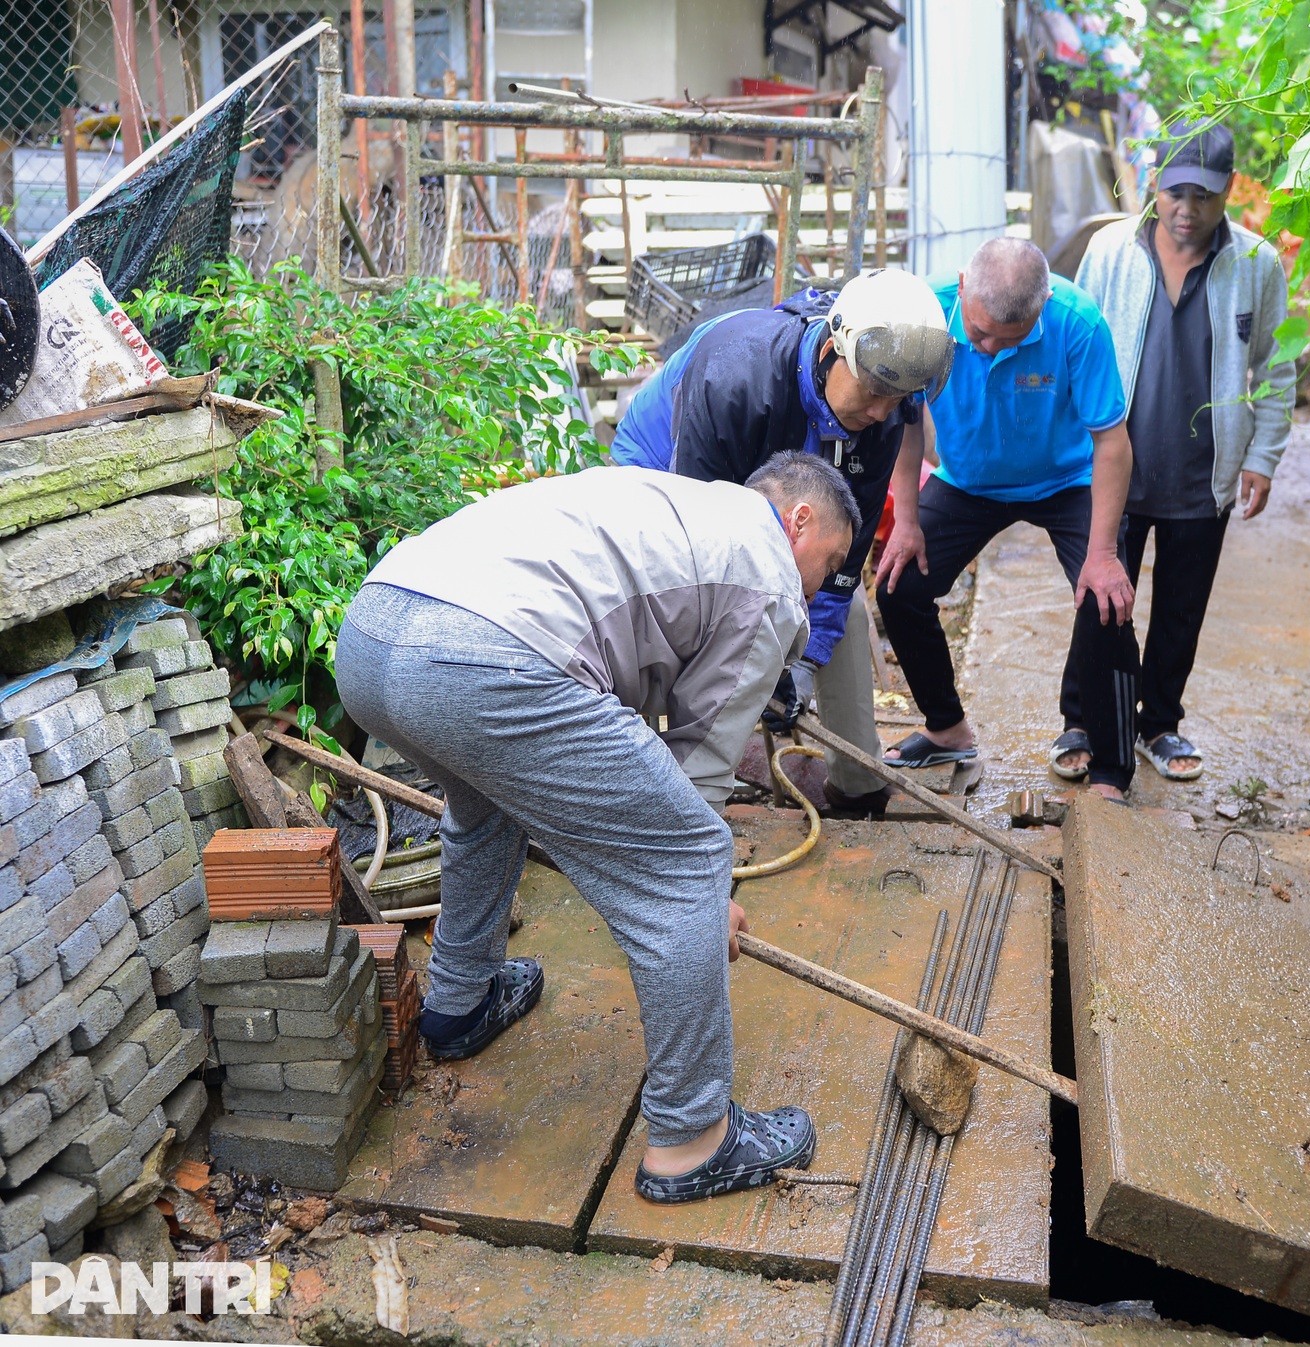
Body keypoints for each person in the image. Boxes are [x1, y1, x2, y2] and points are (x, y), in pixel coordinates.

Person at [334, 454, 857, 1202]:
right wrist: (706, 898)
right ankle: (694, 1137)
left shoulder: (678, 506)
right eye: (830, 563)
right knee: (686, 861)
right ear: (800, 520)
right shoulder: (768, 572)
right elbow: (701, 765)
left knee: (486, 802)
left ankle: (458, 1001)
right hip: (481, 657)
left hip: (372, 635)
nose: (819, 586)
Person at [610, 269, 955, 817]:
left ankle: (857, 785)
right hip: (667, 476)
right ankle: (657, 790)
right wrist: (755, 658)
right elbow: (700, 551)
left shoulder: (880, 413)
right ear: (833, 351)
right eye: (873, 394)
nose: (881, 413)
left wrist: (803, 660)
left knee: (849, 618)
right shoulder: (734, 376)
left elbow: (842, 570)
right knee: (684, 613)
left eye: (898, 401)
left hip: (791, 466)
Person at [873, 237, 1140, 802]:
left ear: (1040, 308)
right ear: (964, 286)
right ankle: (946, 727)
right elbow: (907, 420)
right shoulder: (927, 314)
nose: (989, 348)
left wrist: (1104, 555)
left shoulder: (1079, 323)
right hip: (969, 481)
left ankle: (1112, 770)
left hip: (1067, 479)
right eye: (978, 333)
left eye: (1007, 339)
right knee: (899, 585)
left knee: (1107, 601)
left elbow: (1112, 444)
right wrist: (907, 518)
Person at [1071, 118, 1295, 780]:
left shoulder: (1255, 263)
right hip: (1117, 466)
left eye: (1203, 196)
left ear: (1229, 191)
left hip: (1205, 471)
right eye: (1175, 194)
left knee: (1180, 607)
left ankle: (1158, 724)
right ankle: (1079, 718)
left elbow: (1277, 367)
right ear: (1153, 186)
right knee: (1099, 596)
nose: (1186, 210)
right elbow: (1076, 346)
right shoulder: (1110, 252)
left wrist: (1263, 455)